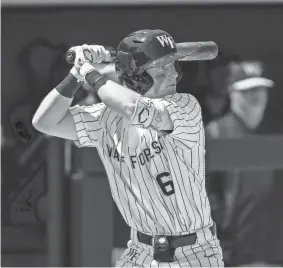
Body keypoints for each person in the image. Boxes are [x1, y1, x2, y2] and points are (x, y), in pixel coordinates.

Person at [32, 29, 223, 267]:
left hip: (194, 253)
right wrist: (75, 75)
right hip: (140, 251)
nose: (173, 73)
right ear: (137, 76)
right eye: (162, 67)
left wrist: (90, 71)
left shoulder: (185, 106)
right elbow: (44, 122)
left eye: (173, 64)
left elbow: (135, 109)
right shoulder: (105, 119)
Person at [205, 60, 277, 266]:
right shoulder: (215, 133)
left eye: (260, 89)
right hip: (232, 255)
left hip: (268, 255)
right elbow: (204, 194)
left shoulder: (271, 133)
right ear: (232, 93)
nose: (255, 96)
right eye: (247, 90)